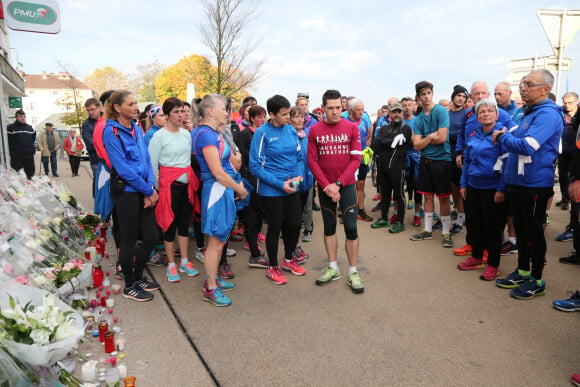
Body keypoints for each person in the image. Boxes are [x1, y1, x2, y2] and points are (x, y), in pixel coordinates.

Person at [493, 69, 563, 300]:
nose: (523, 87)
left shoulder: (548, 114)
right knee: (521, 232)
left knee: (533, 232)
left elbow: (527, 146)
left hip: (534, 184)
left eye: (529, 84)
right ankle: (522, 271)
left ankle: (537, 280)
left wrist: (502, 138)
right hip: (518, 182)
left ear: (545, 89)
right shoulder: (528, 113)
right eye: (522, 83)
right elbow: (515, 141)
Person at [102, 90, 160, 302]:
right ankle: (129, 285)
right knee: (128, 241)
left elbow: (145, 159)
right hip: (126, 193)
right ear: (117, 108)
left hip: (145, 190)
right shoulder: (111, 132)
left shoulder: (136, 128)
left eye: (136, 103)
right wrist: (147, 190)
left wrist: (150, 188)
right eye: (131, 104)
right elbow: (123, 168)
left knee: (151, 236)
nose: (136, 107)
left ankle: (138, 276)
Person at [308, 89, 364, 294]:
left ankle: (353, 271)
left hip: (346, 185)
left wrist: (338, 184)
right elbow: (312, 160)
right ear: (323, 109)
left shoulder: (352, 128)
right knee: (329, 227)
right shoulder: (314, 130)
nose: (334, 112)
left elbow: (356, 159)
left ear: (343, 106)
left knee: (351, 228)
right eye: (330, 108)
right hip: (325, 187)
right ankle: (333, 268)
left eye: (338, 107)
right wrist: (326, 185)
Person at [192, 94, 246, 307]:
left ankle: (213, 278)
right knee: (215, 242)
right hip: (217, 190)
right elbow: (217, 172)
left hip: (223, 190)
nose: (227, 112)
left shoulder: (214, 132)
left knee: (220, 239)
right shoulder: (205, 135)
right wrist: (240, 189)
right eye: (224, 108)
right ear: (211, 111)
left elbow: (226, 164)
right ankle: (210, 287)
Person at [249, 95, 306, 285]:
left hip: (292, 186)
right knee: (275, 227)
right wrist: (280, 184)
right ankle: (273, 267)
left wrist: (297, 178)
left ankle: (289, 260)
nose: (288, 117)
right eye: (283, 115)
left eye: (289, 113)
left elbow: (299, 157)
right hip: (272, 189)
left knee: (295, 224)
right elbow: (254, 166)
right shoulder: (262, 133)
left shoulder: (290, 131)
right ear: (271, 114)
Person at [149, 97, 200, 283]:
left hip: (187, 186)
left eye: (182, 111)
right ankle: (171, 265)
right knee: (169, 226)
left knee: (184, 226)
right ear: (167, 114)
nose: (181, 115)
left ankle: (185, 261)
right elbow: (153, 165)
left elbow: (188, 160)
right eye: (176, 112)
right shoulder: (159, 136)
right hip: (168, 187)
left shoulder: (186, 134)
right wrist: (158, 187)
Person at [457, 99, 506, 280]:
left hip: (492, 188)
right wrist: (463, 184)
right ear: (477, 117)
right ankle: (477, 257)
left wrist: (501, 189)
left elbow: (506, 163)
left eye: (489, 111)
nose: (485, 114)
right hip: (472, 186)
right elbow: (467, 161)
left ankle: (493, 264)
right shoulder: (474, 135)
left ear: (496, 114)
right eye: (482, 112)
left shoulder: (501, 135)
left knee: (492, 228)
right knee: (474, 224)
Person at [410, 81, 453, 248]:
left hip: (442, 160)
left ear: (432, 94)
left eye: (429, 93)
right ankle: (427, 230)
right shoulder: (419, 118)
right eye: (423, 94)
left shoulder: (441, 111)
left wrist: (424, 140)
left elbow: (443, 137)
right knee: (427, 196)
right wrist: (429, 138)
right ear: (418, 97)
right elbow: (416, 145)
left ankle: (446, 232)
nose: (426, 96)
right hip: (426, 160)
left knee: (443, 197)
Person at [370, 102, 412, 233]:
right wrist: (388, 142)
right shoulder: (384, 128)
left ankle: (400, 222)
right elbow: (376, 144)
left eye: (399, 112)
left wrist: (385, 142)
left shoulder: (406, 128)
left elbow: (393, 144)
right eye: (394, 112)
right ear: (390, 113)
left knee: (399, 195)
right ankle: (384, 218)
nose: (397, 114)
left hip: (397, 167)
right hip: (383, 166)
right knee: (385, 194)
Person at [236, 105, 269, 268]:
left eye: (264, 116)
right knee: (251, 217)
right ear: (253, 118)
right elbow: (241, 157)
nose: (263, 119)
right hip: (249, 179)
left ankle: (255, 247)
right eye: (260, 116)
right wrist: (243, 179)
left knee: (258, 216)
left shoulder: (265, 133)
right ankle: (254, 253)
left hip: (263, 179)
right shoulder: (246, 134)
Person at [289, 105, 314, 255]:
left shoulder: (308, 134)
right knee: (293, 216)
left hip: (307, 179)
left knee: (301, 214)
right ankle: (292, 246)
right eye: (296, 116)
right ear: (290, 118)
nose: (300, 119)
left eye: (302, 116)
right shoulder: (288, 134)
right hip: (293, 181)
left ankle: (295, 244)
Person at [342, 98, 373, 221]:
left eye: (362, 109)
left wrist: (365, 148)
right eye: (358, 110)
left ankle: (361, 210)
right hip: (349, 158)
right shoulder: (344, 122)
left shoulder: (365, 119)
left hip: (362, 157)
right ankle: (347, 210)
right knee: (349, 185)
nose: (361, 112)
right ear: (350, 110)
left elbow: (369, 134)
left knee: (361, 183)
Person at [447, 85, 469, 236]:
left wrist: (447, 134)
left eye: (464, 97)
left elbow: (464, 134)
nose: (461, 98)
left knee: (461, 187)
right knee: (453, 186)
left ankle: (460, 221)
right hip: (446, 156)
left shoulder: (467, 114)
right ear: (453, 96)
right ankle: (455, 211)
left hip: (460, 156)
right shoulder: (445, 113)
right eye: (459, 95)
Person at [555, 92, 579, 212]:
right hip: (563, 149)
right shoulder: (560, 113)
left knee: (573, 176)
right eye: (565, 102)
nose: (567, 105)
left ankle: (573, 200)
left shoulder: (579, 114)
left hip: (576, 150)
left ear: (576, 102)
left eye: (570, 102)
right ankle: (565, 199)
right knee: (563, 175)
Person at [7, 109, 36, 179]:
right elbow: (8, 141)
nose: (23, 118)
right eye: (20, 116)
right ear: (16, 117)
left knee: (30, 174)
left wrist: (30, 149)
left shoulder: (30, 128)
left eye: (24, 116)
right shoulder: (10, 128)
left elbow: (32, 139)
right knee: (17, 176)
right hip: (16, 156)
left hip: (28, 156)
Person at [82, 98, 103, 180]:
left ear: (99, 108)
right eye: (88, 110)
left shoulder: (108, 120)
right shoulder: (86, 125)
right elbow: (90, 144)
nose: (90, 112)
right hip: (96, 161)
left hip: (111, 159)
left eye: (93, 109)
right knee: (98, 184)